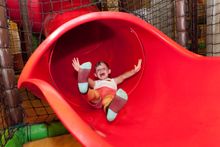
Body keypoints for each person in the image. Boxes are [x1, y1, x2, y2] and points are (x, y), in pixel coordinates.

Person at [72, 57, 142, 122]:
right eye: (98, 70)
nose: (101, 71)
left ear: (109, 71)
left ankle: (110, 112)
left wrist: (134, 71)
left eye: (103, 69)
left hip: (108, 98)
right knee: (94, 94)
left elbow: (123, 76)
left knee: (108, 100)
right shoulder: (96, 83)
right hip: (97, 99)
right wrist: (80, 71)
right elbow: (87, 79)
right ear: (95, 75)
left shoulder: (114, 81)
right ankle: (84, 89)